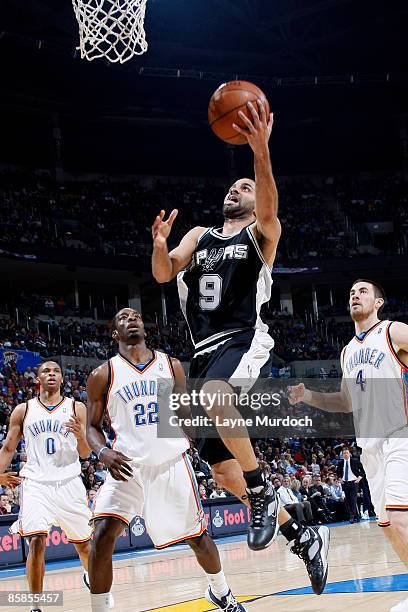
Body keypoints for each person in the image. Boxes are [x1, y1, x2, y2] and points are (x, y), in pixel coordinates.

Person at [152, 100, 329, 593]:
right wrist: (161, 244)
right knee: (222, 468)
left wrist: (260, 153)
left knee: (215, 395)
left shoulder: (260, 234)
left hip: (245, 338)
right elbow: (163, 274)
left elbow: (270, 206)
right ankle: (302, 533)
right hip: (203, 348)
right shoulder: (198, 235)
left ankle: (261, 489)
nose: (236, 189)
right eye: (233, 186)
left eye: (244, 187)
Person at [86, 308, 247, 612]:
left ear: (145, 327)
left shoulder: (170, 366)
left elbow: (186, 416)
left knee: (197, 538)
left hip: (171, 463)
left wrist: (209, 449)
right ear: (114, 333)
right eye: (122, 317)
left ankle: (221, 592)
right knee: (102, 536)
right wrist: (103, 452)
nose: (131, 319)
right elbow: (90, 427)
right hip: (127, 468)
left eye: (136, 315)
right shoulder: (103, 374)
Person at [289, 278, 408, 612]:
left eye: (363, 291)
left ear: (379, 302)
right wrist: (308, 396)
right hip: (369, 448)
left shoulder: (393, 331)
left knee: (400, 520)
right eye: (352, 293)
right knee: (388, 528)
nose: (355, 295)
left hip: (400, 435)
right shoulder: (347, 351)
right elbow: (345, 401)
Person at [0, 361, 99, 612]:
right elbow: (8, 448)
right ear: (38, 379)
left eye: (56, 371)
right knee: (36, 541)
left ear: (62, 379)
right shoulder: (23, 410)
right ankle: (36, 606)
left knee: (85, 546)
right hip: (36, 484)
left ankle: (89, 576)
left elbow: (86, 453)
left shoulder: (77, 408)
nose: (51, 374)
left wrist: (79, 435)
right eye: (46, 371)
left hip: (69, 483)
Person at [336, 447, 364, 522]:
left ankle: (352, 517)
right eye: (344, 453)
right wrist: (340, 479)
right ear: (342, 454)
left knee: (353, 499)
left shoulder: (355, 461)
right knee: (348, 500)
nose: (345, 454)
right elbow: (338, 472)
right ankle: (357, 516)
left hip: (354, 482)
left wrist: (359, 478)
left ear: (349, 454)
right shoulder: (340, 463)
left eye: (347, 453)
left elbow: (362, 470)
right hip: (345, 483)